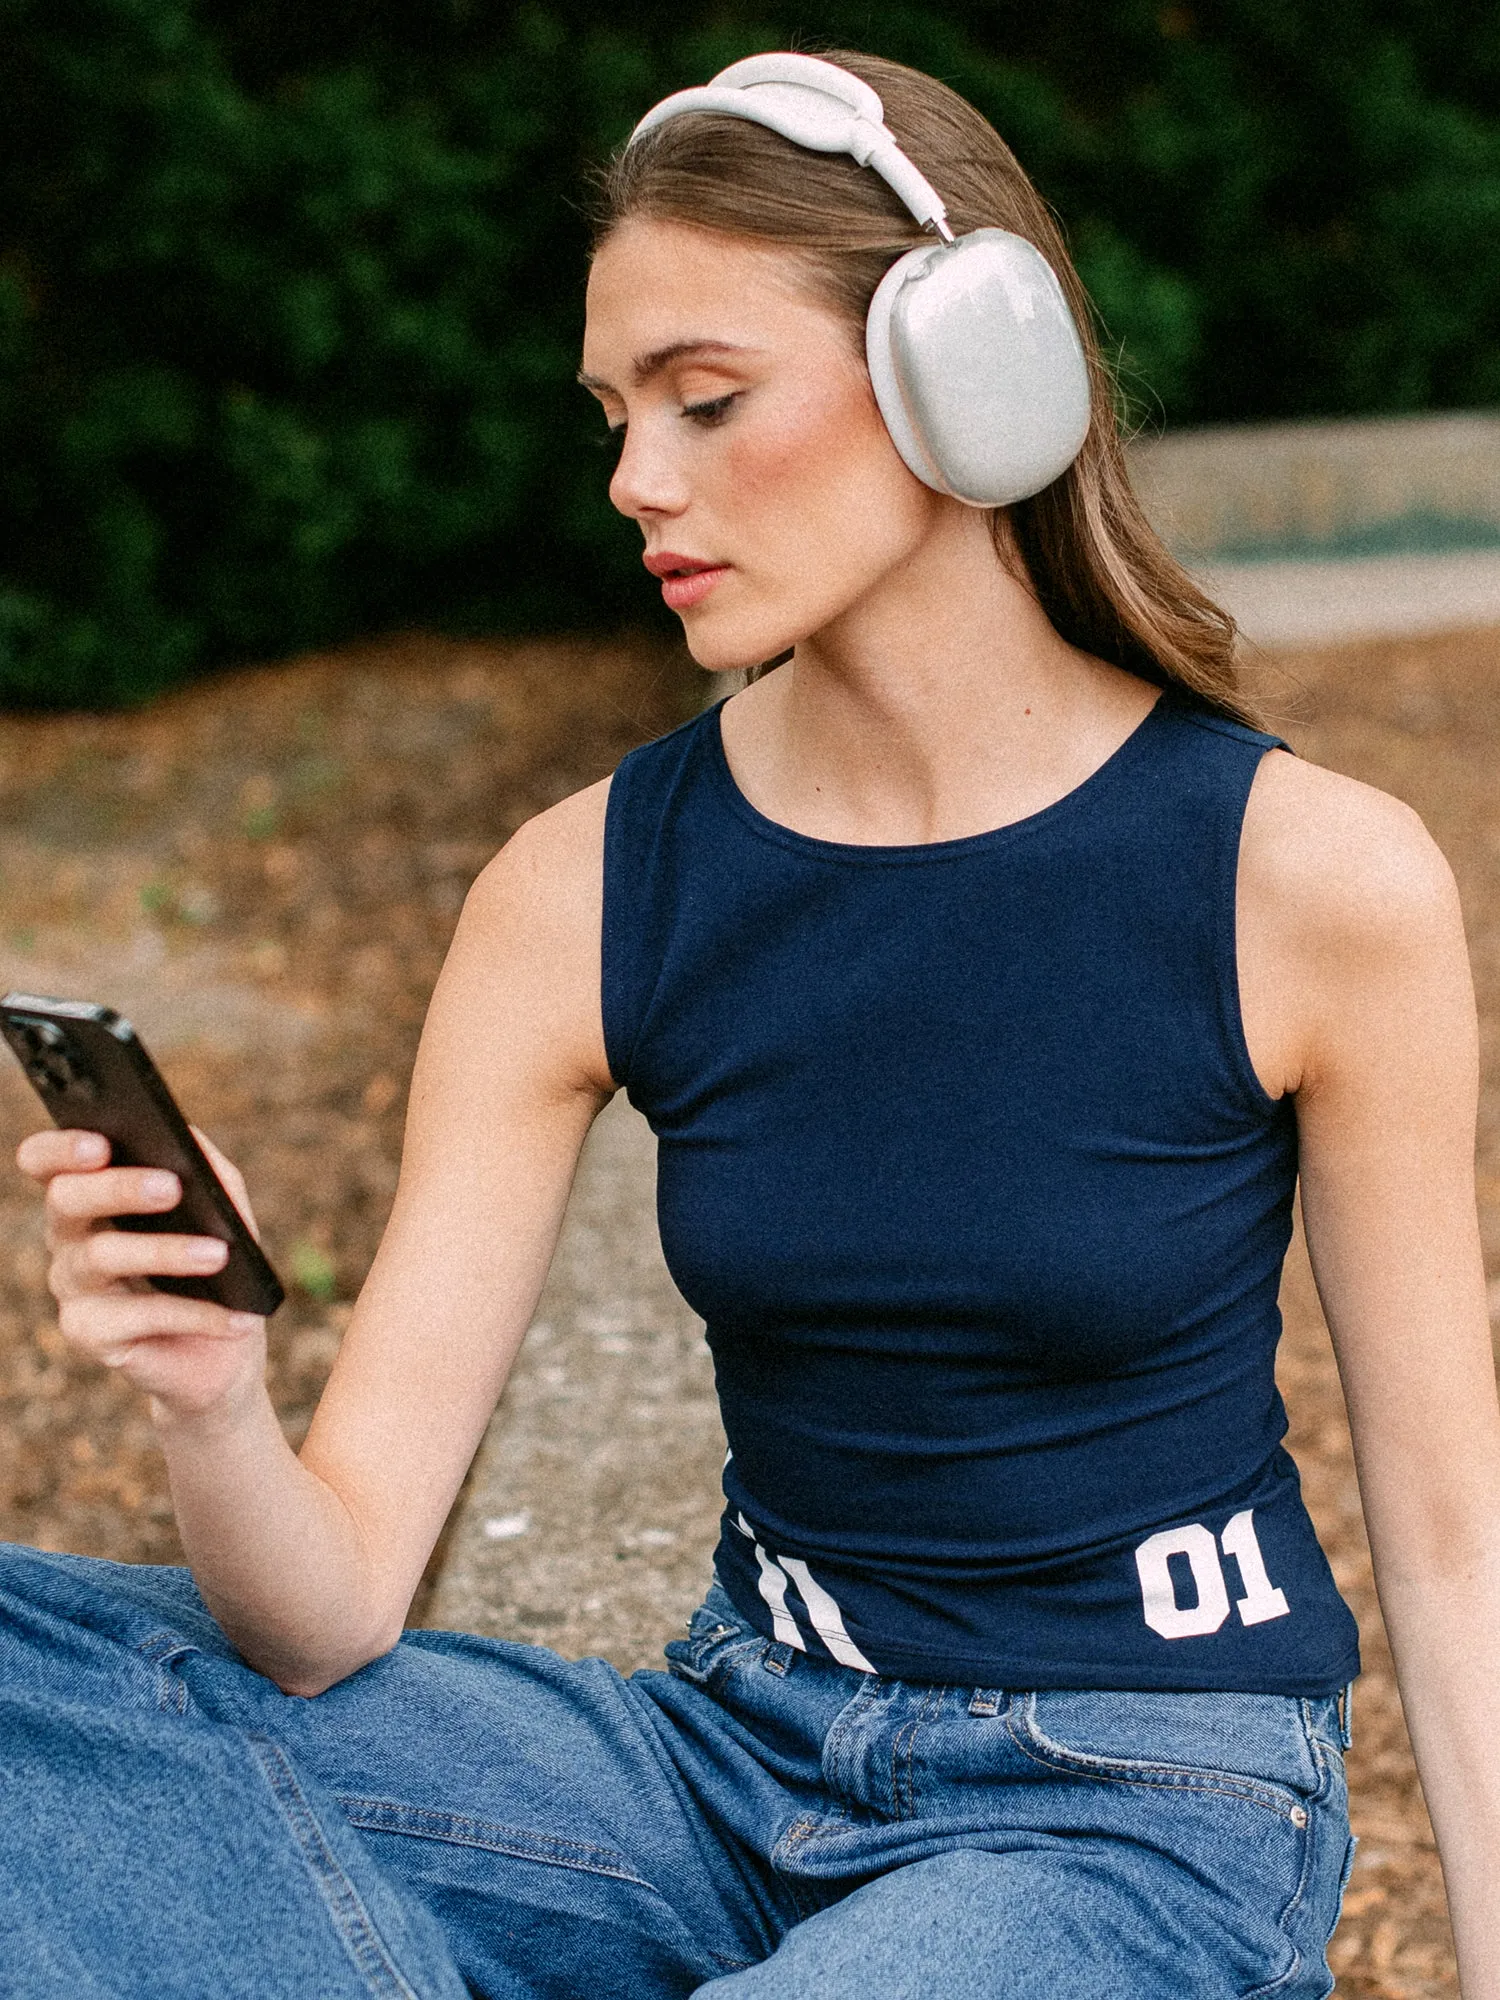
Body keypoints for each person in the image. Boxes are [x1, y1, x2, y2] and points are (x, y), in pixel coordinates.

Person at [3, 46, 1497, 2000]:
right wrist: (211, 1395)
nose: (638, 477)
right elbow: (326, 1609)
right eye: (619, 414)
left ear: (974, 375)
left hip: (1138, 1803)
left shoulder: (1306, 878)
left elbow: (1453, 1529)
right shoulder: (583, 889)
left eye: (708, 401)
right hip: (719, 1768)